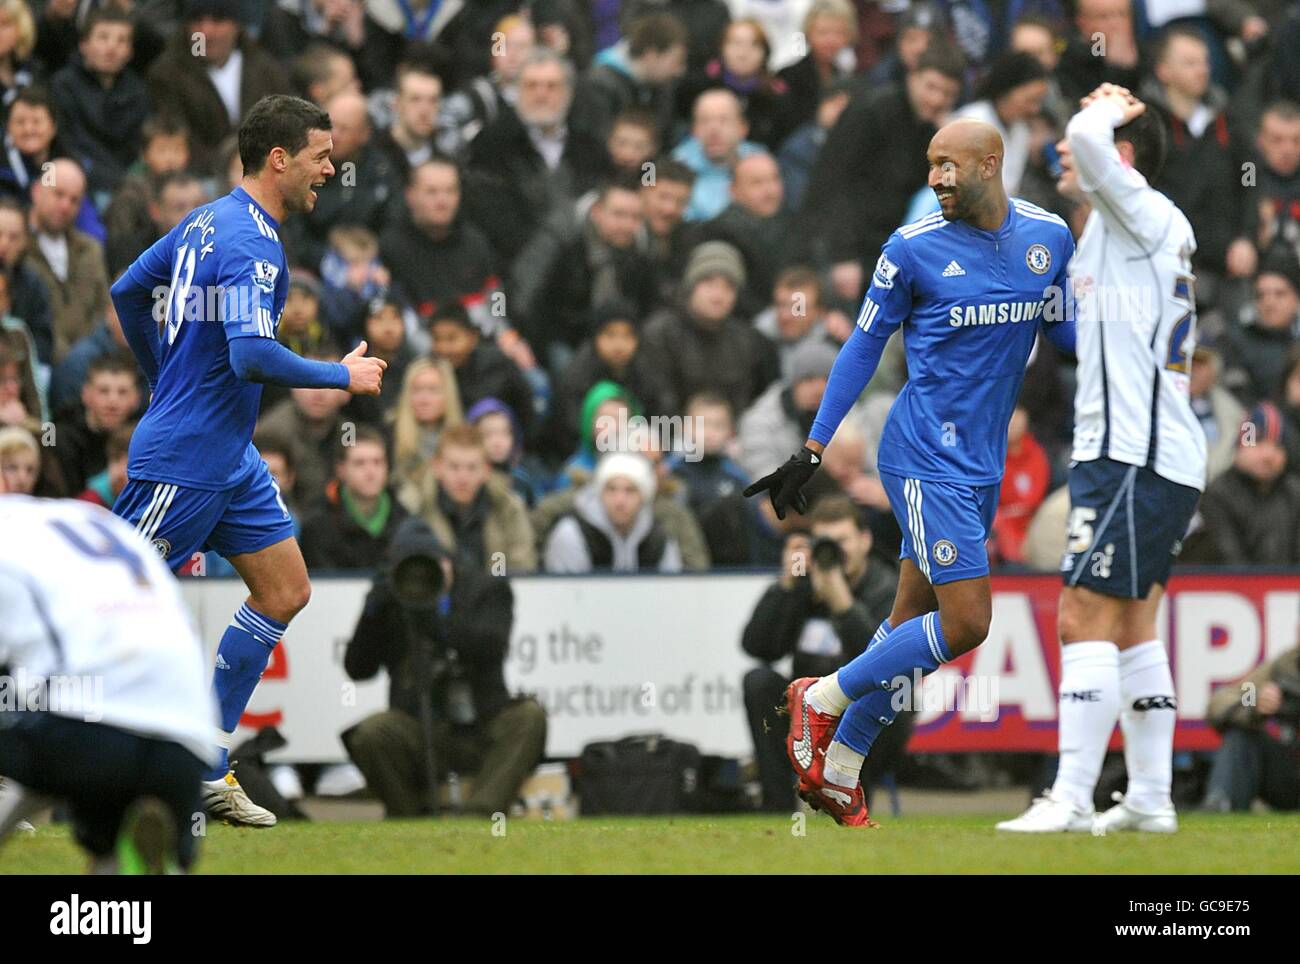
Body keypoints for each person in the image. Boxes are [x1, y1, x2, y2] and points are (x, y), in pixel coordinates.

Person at [744, 116, 1077, 826]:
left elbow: (1068, 332)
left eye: (949, 166)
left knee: (907, 624)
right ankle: (822, 697)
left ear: (992, 163)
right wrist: (813, 447)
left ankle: (840, 766)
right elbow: (862, 349)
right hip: (923, 456)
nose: (936, 179)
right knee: (967, 622)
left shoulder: (1049, 237)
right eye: (931, 165)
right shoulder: (912, 248)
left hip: (983, 462)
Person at [109, 94, 386, 827]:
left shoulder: (210, 218)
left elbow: (129, 291)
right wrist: (340, 375)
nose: (331, 167)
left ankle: (203, 760)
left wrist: (162, 375)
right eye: (322, 155)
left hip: (228, 456)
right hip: (185, 461)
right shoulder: (251, 243)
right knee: (98, 606)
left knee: (286, 589)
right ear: (279, 158)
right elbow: (252, 353)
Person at [999, 85, 1205, 835]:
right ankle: (1151, 798)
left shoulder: (1141, 211)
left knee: (1081, 616)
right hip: (1146, 451)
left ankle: (1071, 794)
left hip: (1132, 456)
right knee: (1132, 625)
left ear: (1120, 153)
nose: (1063, 145)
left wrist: (1112, 102)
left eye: (1079, 136)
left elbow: (1088, 141)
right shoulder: (1120, 230)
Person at [0, 486, 218, 874]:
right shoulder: (91, 519)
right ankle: (134, 862)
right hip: (188, 734)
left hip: (84, 729)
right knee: (113, 841)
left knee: (48, 727)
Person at [341, 517, 547, 818]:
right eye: (411, 570)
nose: (422, 578)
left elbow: (489, 645)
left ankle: (480, 813)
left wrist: (435, 621)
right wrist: (372, 611)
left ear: (447, 560)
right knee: (373, 733)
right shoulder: (394, 601)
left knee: (529, 717)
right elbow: (358, 669)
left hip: (483, 722)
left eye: (433, 564)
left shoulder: (486, 590)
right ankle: (409, 819)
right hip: (421, 728)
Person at [742, 496, 900, 812]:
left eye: (843, 541)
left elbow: (883, 663)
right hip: (805, 706)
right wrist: (787, 586)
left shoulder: (886, 585)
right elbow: (758, 647)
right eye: (826, 542)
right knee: (758, 682)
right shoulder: (803, 584)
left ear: (865, 541)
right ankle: (776, 807)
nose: (835, 552)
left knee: (898, 697)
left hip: (857, 708)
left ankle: (850, 801)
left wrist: (840, 600)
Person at [544, 451, 684, 573]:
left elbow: (670, 593)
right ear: (599, 493)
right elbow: (564, 596)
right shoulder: (572, 533)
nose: (620, 500)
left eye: (630, 490)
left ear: (643, 497)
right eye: (611, 489)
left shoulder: (659, 538)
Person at [1203, 643, 1300, 812]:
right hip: (1290, 776)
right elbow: (1225, 698)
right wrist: (1255, 702)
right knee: (1242, 736)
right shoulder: (1283, 666)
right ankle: (1222, 806)